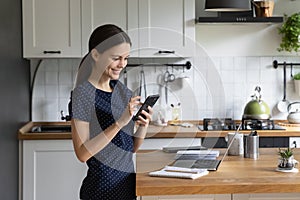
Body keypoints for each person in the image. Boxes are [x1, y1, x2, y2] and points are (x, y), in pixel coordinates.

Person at [71, 24, 153, 200]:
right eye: (116, 58)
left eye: (126, 58)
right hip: (101, 190)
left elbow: (131, 149)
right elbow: (82, 153)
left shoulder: (123, 92)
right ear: (96, 55)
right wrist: (119, 123)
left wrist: (143, 126)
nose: (122, 64)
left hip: (128, 186)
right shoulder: (83, 95)